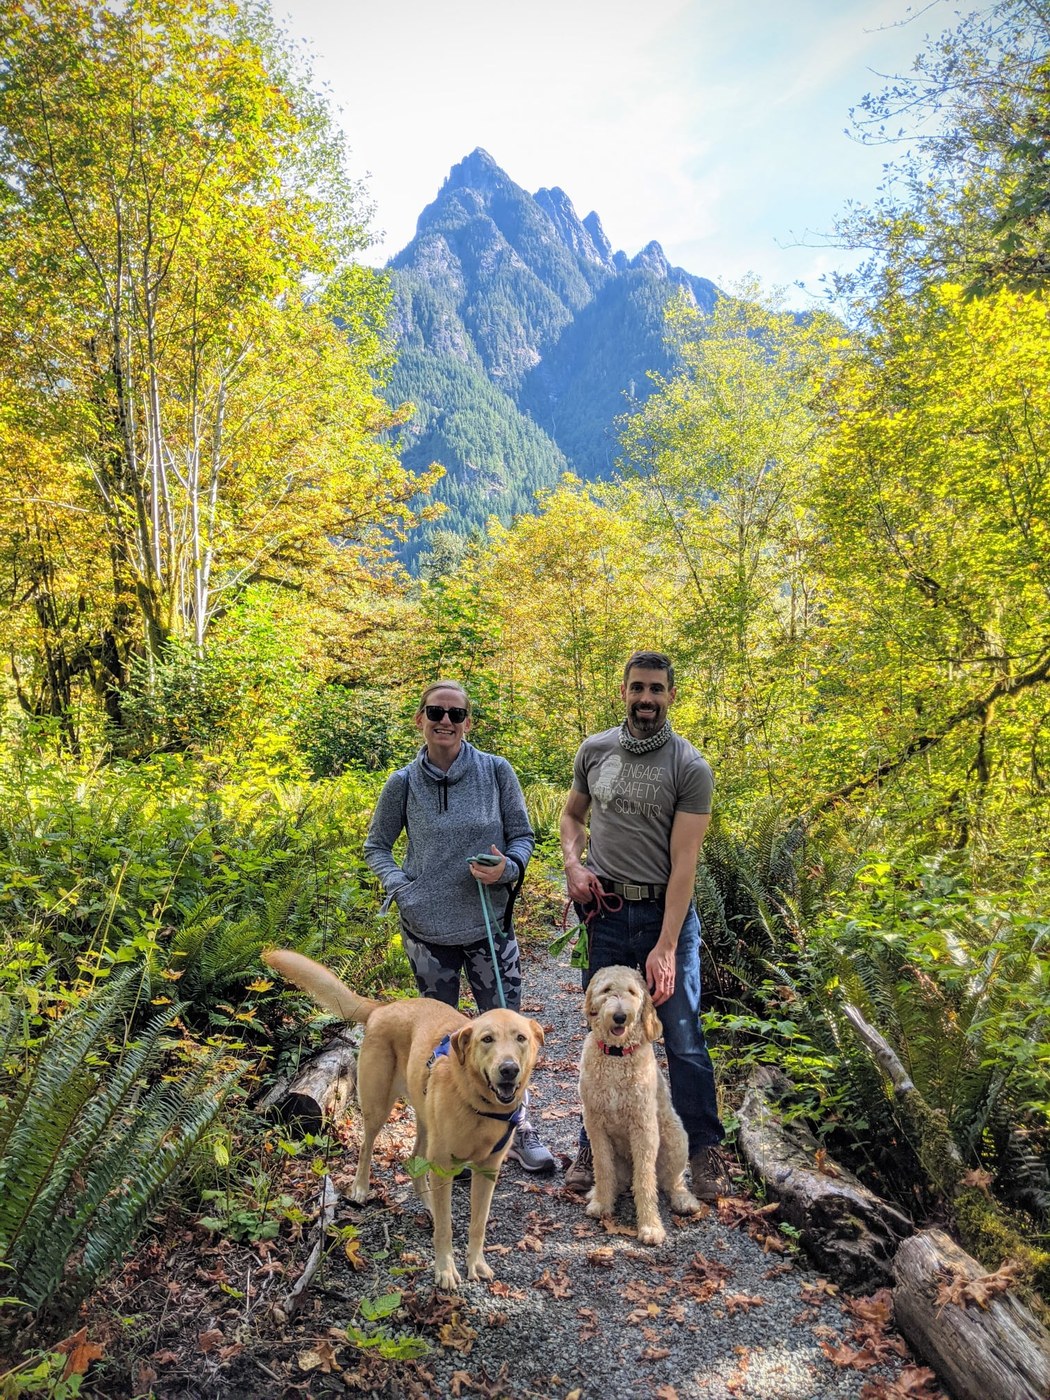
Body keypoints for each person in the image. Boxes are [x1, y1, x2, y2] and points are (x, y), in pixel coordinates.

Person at [364, 680, 555, 1173]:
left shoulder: (496, 771)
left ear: (468, 722)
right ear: (420, 720)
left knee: (508, 1038)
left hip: (489, 927)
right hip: (428, 935)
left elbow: (523, 836)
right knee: (442, 1047)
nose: (445, 721)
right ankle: (445, 1135)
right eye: (435, 712)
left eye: (455, 714)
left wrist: (508, 868)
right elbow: (376, 846)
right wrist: (402, 887)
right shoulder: (402, 783)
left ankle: (518, 1127)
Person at [559, 650, 731, 1200]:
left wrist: (666, 945)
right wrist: (573, 864)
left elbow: (685, 864)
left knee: (680, 1034)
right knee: (604, 1029)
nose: (646, 698)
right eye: (638, 687)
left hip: (665, 914)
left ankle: (701, 1149)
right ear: (624, 691)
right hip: (606, 911)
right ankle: (595, 1146)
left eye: (657, 689)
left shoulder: (689, 767)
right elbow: (572, 816)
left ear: (671, 696)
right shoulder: (595, 750)